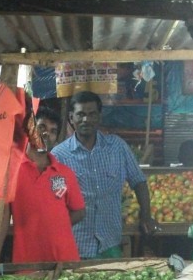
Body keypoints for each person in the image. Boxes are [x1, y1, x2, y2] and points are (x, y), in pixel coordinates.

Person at [51, 90, 158, 259]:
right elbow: (53, 198)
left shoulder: (117, 147)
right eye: (80, 115)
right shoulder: (59, 155)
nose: (86, 119)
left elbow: (139, 182)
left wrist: (146, 216)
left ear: (99, 117)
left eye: (92, 114)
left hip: (110, 243)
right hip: (75, 243)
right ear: (71, 118)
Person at [6, 107, 85, 263]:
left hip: (64, 259)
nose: (46, 133)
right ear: (30, 130)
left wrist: (56, 227)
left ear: (56, 139)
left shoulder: (65, 173)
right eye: (41, 127)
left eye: (53, 131)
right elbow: (3, 218)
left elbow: (80, 212)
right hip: (27, 261)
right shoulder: (11, 171)